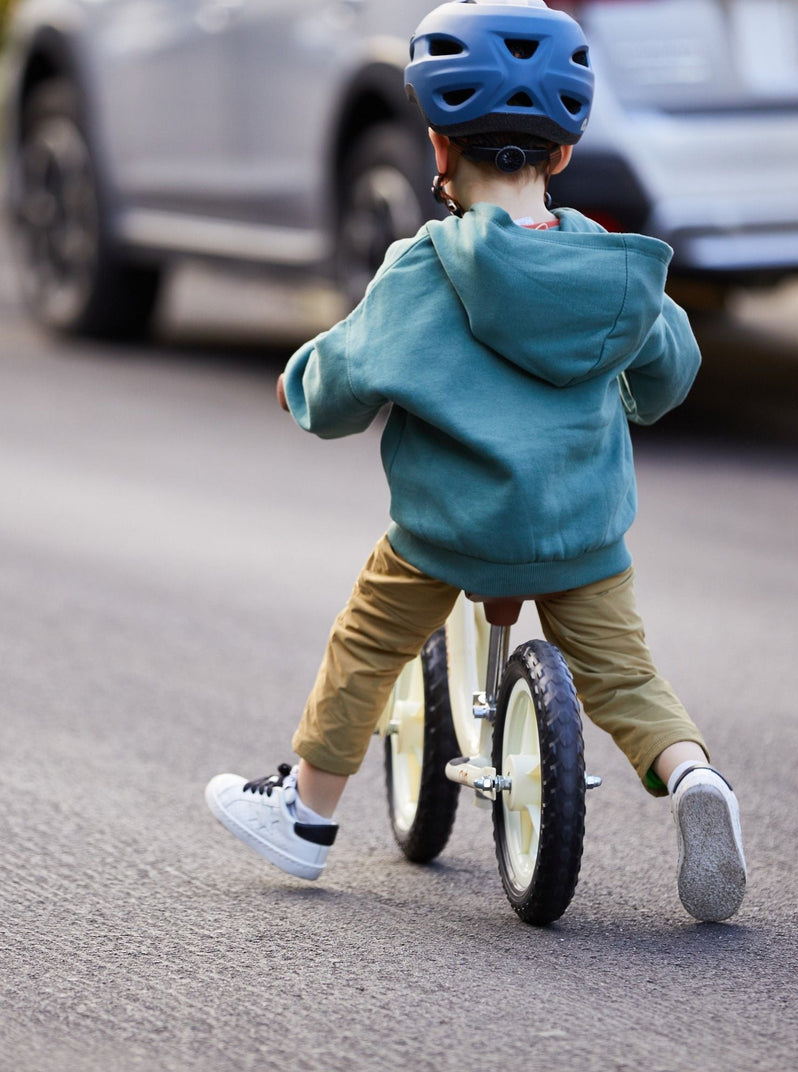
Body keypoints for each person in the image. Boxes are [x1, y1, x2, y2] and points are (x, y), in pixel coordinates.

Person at [205, 0, 746, 923]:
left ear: (437, 146)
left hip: (447, 537)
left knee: (370, 642)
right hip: (579, 535)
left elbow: (340, 384)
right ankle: (693, 775)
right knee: (624, 676)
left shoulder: (423, 267)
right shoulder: (611, 270)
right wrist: (632, 396)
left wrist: (302, 387)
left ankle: (306, 813)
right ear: (563, 155)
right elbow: (670, 369)